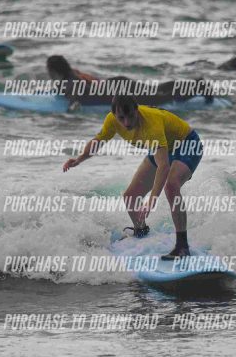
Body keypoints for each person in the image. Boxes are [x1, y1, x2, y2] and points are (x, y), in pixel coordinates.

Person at [63, 95, 203, 260]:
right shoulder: (112, 120)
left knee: (171, 186)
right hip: (162, 147)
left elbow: (163, 166)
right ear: (114, 115)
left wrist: (151, 200)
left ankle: (182, 247)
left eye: (130, 116)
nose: (127, 122)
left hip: (187, 145)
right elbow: (98, 141)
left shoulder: (151, 123)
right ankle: (141, 231)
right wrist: (78, 159)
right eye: (121, 118)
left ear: (137, 110)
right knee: (130, 196)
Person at [47, 55, 213, 111]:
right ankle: (195, 83)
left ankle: (198, 88)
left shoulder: (69, 83)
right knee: (155, 90)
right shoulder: (74, 73)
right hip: (118, 84)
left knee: (161, 99)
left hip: (121, 93)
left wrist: (69, 112)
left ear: (55, 72)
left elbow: (76, 93)